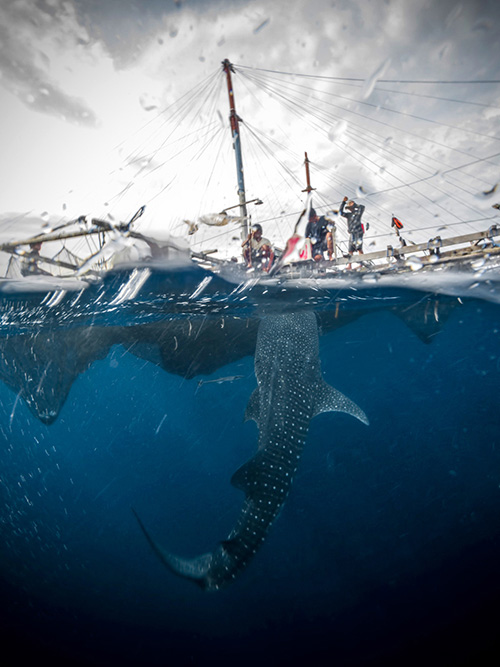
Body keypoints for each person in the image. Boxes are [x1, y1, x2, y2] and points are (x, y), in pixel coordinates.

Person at [340, 197, 366, 265]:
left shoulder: (358, 213)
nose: (350, 209)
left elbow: (362, 207)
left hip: (358, 232)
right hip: (352, 233)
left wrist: (355, 205)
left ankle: (362, 264)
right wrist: (343, 202)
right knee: (350, 250)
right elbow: (340, 212)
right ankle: (349, 265)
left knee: (359, 248)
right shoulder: (348, 215)